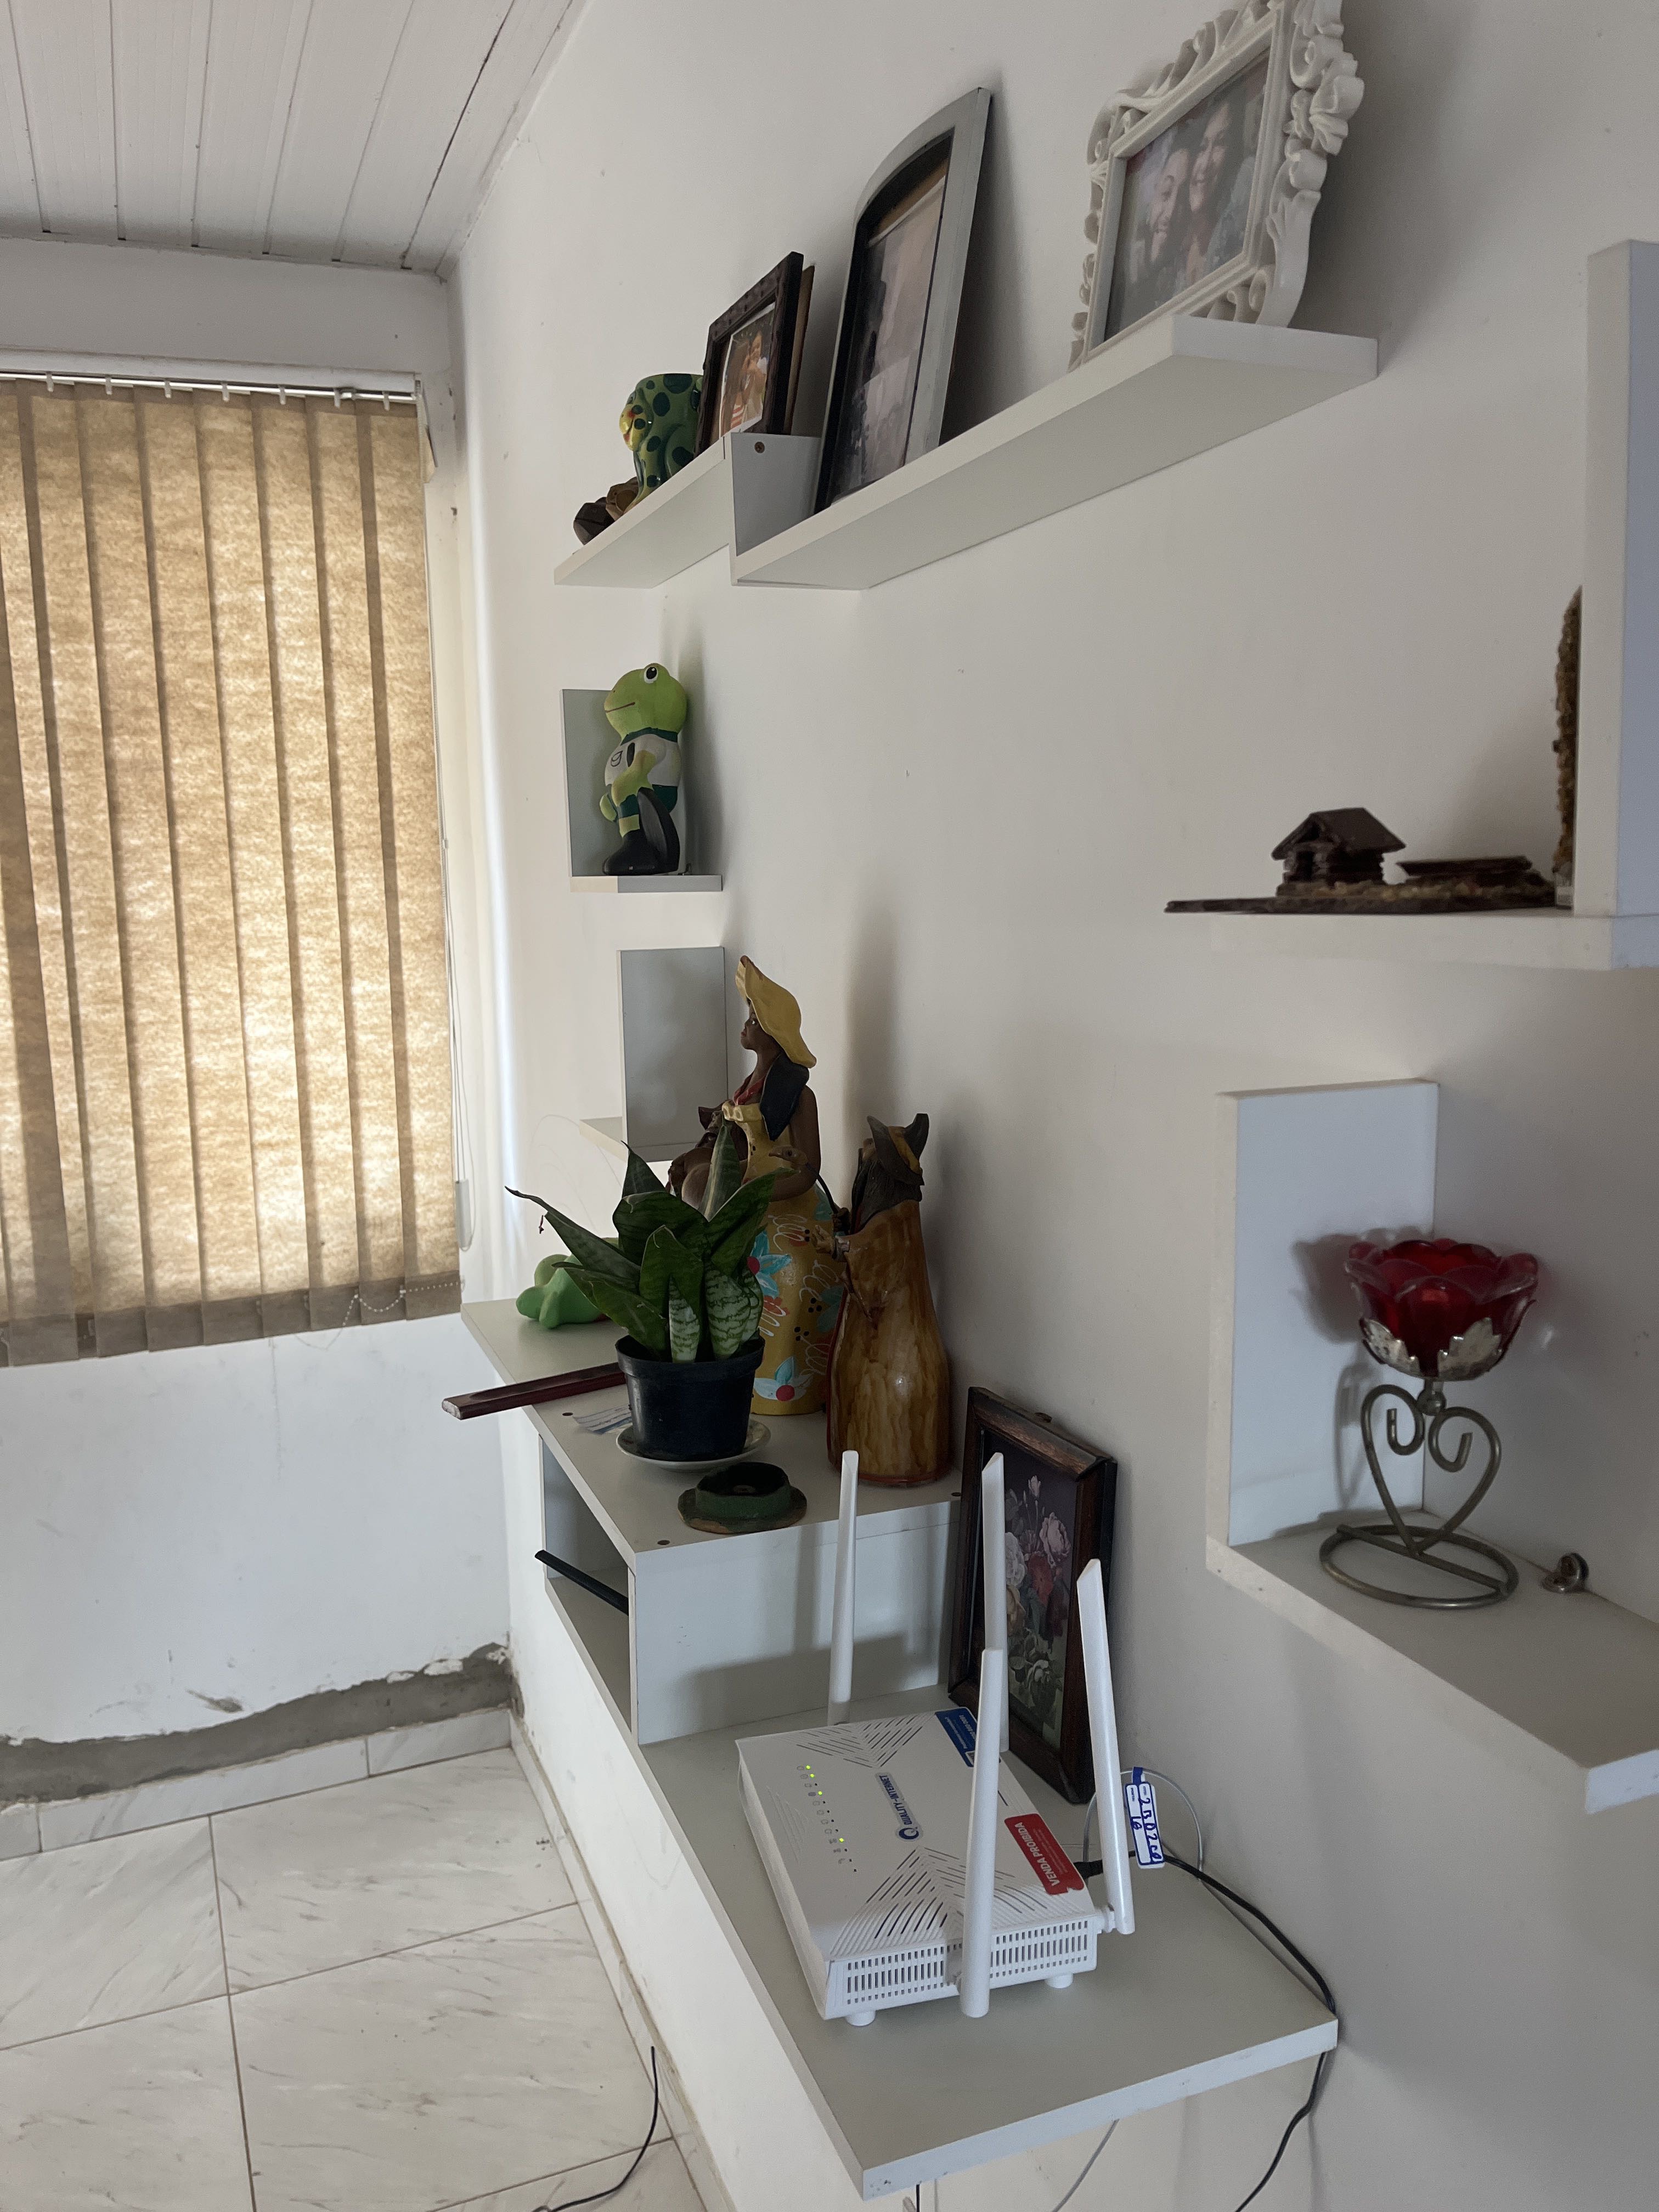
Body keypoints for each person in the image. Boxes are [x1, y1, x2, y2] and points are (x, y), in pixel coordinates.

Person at [668, 957, 844, 1415]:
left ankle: (780, 1388)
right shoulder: (749, 1087)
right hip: (742, 1189)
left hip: (783, 1197)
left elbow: (808, 1170)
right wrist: (695, 1160)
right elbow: (729, 1148)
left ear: (771, 1031)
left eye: (753, 1019)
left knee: (782, 1262)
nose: (745, 1026)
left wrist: (757, 1195)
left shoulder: (799, 1097)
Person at [1181, 81, 1250, 288]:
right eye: (1202, 148)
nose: (1205, 164)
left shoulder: (1235, 235)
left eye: (1220, 144)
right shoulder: (1177, 256)